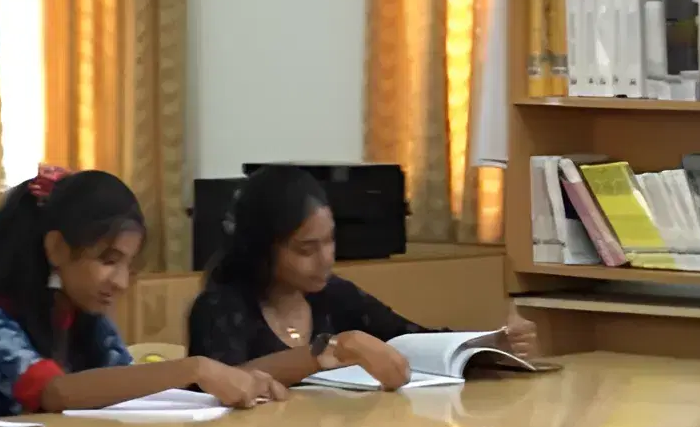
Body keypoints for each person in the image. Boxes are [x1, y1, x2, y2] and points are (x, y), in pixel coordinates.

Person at [0, 166, 283, 417]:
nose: (121, 282)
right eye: (108, 261)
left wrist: (236, 380)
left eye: (129, 266)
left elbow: (131, 387)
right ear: (57, 249)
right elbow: (55, 393)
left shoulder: (86, 319)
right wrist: (194, 368)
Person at [184, 166, 540, 388]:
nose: (327, 259)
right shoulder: (220, 306)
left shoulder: (334, 295)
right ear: (261, 248)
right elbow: (222, 383)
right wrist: (331, 352)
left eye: (331, 240)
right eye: (307, 250)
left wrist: (490, 345)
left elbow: (410, 340)